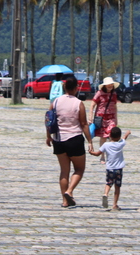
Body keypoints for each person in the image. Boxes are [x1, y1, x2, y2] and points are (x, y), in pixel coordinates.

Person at [46, 76, 94, 208]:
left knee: (64, 171)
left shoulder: (55, 101)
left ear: (65, 87)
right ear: (76, 88)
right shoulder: (78, 103)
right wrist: (89, 140)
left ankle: (65, 201)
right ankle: (70, 191)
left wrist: (48, 136)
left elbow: (48, 120)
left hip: (58, 139)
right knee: (79, 169)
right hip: (74, 139)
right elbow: (84, 124)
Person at [89, 126, 132, 210]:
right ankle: (115, 204)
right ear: (119, 137)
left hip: (110, 168)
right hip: (119, 169)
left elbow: (98, 153)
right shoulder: (121, 144)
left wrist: (91, 152)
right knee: (117, 186)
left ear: (110, 135)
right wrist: (127, 133)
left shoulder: (106, 145)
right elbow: (124, 138)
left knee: (108, 183)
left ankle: (105, 194)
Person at [90, 77, 120, 162]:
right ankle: (102, 156)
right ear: (105, 85)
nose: (110, 86)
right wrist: (90, 117)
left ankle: (110, 156)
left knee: (112, 136)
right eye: (108, 85)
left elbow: (114, 105)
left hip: (111, 118)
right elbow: (92, 104)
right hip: (102, 118)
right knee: (103, 137)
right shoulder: (99, 93)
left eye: (111, 84)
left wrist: (116, 118)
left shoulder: (114, 94)